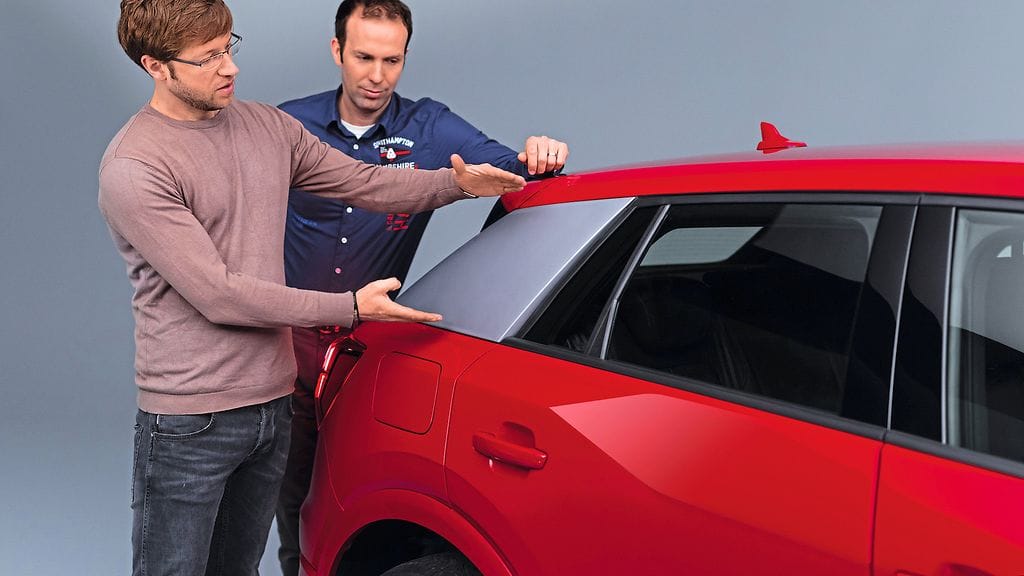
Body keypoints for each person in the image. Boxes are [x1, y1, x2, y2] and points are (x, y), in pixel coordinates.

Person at [99, 1, 525, 574]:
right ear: (155, 65)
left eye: (229, 47)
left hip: (271, 406)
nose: (230, 68)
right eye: (208, 58)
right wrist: (350, 308)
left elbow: (364, 181)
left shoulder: (267, 127)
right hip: (191, 421)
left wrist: (458, 184)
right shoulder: (135, 166)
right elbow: (220, 294)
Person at [274, 1, 569, 573]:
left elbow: (512, 177)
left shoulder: (430, 128)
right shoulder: (289, 124)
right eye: (363, 57)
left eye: (392, 60)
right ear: (337, 51)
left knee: (352, 496)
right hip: (285, 349)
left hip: (364, 356)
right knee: (292, 502)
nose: (376, 76)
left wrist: (542, 157)